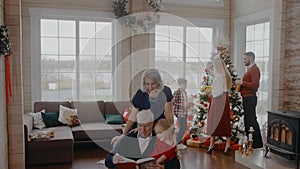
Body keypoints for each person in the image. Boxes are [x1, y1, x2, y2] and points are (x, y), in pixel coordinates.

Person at [112, 68, 173, 145]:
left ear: (159, 83)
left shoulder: (166, 91)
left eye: (153, 84)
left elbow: (169, 115)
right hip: (142, 125)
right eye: (147, 84)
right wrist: (123, 134)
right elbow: (133, 116)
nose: (150, 88)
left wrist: (170, 132)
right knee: (124, 143)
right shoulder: (140, 93)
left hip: (158, 126)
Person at [105, 110, 180, 169]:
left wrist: (162, 167)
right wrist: (113, 159)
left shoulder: (160, 138)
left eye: (147, 126)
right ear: (137, 124)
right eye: (140, 125)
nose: (143, 130)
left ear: (153, 124)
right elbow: (108, 159)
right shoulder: (129, 137)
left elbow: (176, 165)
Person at [206, 54, 232, 155]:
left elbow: (220, 90)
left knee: (218, 121)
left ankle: (219, 144)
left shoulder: (222, 76)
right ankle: (219, 144)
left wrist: (212, 92)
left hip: (219, 99)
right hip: (219, 99)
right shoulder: (222, 75)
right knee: (219, 120)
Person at [236, 51, 263, 148]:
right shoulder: (251, 69)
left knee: (251, 120)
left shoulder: (254, 70)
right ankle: (253, 142)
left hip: (250, 98)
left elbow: (255, 85)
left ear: (250, 58)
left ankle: (255, 143)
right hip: (247, 97)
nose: (244, 61)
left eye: (245, 59)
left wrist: (242, 82)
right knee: (249, 119)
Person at [172, 78, 190, 150]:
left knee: (184, 127)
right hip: (180, 112)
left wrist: (187, 105)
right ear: (179, 84)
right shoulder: (177, 92)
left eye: (186, 84)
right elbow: (173, 101)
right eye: (184, 84)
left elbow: (185, 101)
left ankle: (178, 142)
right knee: (182, 127)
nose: (185, 86)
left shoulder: (185, 92)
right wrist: (182, 105)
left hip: (184, 112)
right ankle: (177, 143)